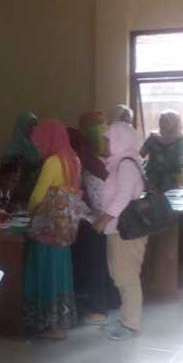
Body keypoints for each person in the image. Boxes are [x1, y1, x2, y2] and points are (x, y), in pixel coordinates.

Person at [23, 120, 82, 339]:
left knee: (45, 271)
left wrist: (30, 212)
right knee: (61, 272)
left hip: (48, 228)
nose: (38, 145)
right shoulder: (74, 159)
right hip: (65, 229)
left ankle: (49, 324)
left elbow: (38, 195)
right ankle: (61, 323)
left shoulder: (53, 162)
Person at [96, 122, 148, 341]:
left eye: (108, 140)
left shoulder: (126, 164)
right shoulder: (119, 163)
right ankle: (126, 318)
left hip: (125, 230)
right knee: (120, 274)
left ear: (119, 140)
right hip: (118, 229)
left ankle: (131, 323)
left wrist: (104, 218)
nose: (105, 144)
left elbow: (123, 197)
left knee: (126, 276)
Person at [69, 111, 114, 324]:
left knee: (96, 263)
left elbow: (97, 201)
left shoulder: (88, 160)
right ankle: (109, 302)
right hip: (107, 220)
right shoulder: (102, 159)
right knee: (105, 263)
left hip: (98, 221)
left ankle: (99, 307)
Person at [0, 111, 43, 203]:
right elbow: (8, 174)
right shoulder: (12, 147)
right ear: (22, 125)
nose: (33, 128)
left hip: (34, 190)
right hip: (17, 193)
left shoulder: (34, 145)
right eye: (30, 125)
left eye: (35, 125)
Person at [140, 110, 183, 192]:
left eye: (164, 120)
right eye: (161, 120)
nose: (161, 122)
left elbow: (179, 162)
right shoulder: (153, 137)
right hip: (154, 177)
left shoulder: (180, 139)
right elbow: (141, 154)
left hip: (166, 178)